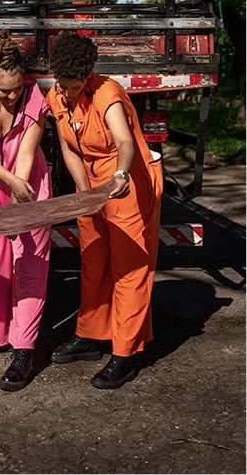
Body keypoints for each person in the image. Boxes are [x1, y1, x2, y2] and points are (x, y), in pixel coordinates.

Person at [46, 33, 163, 389]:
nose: (66, 92)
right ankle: (89, 336)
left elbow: (125, 142)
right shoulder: (57, 95)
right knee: (93, 261)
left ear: (89, 75)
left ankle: (124, 354)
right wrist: (83, 190)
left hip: (125, 179)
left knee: (129, 268)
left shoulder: (107, 94)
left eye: (74, 85)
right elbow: (69, 148)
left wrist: (119, 176)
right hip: (91, 184)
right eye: (62, 84)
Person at [0, 30, 52, 391]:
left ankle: (23, 350)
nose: (13, 94)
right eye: (5, 90)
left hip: (29, 186)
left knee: (29, 265)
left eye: (18, 86)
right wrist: (7, 183)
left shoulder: (34, 97)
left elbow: (27, 157)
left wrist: (19, 200)